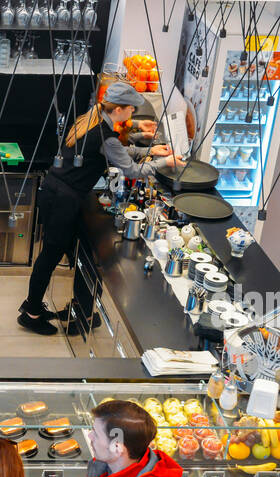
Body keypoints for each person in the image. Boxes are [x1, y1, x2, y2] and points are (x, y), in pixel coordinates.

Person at [18, 81, 180, 336]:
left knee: (62, 254)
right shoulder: (105, 135)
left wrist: (147, 147)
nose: (133, 115)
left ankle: (71, 309)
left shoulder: (89, 119)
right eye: (131, 110)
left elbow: (114, 150)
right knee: (49, 257)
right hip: (63, 200)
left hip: (53, 192)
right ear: (121, 109)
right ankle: (32, 314)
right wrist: (164, 161)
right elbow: (131, 169)